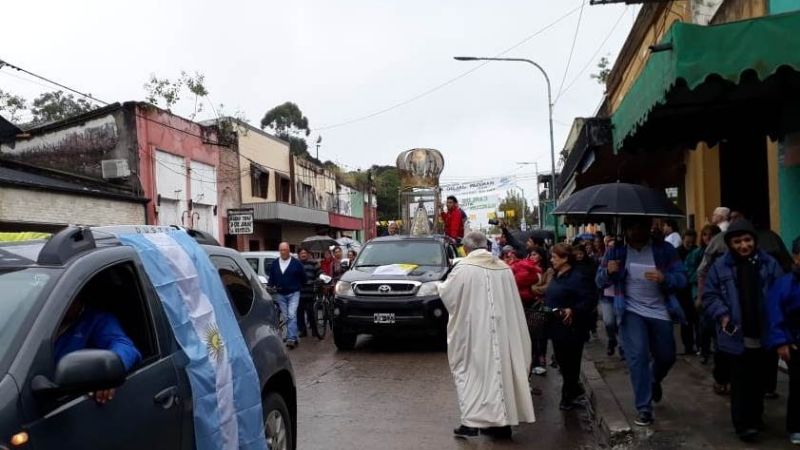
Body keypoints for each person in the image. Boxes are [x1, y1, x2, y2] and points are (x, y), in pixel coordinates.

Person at [437, 231, 536, 439]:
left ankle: (472, 422)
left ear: (466, 248)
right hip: (503, 331)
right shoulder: (503, 268)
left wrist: (437, 285)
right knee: (502, 373)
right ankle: (502, 425)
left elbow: (449, 295)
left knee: (473, 374)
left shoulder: (463, 269)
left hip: (475, 332)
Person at [596, 216, 688, 427]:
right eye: (632, 228)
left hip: (660, 309)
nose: (636, 232)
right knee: (637, 356)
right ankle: (644, 408)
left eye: (640, 227)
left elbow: (683, 277)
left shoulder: (664, 250)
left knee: (667, 356)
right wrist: (607, 272)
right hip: (630, 310)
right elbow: (599, 281)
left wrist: (665, 278)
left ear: (648, 228)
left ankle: (654, 380)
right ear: (626, 230)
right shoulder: (616, 251)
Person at [703, 220, 784, 442]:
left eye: (747, 240)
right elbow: (710, 296)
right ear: (729, 243)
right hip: (735, 333)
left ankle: (756, 417)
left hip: (764, 332)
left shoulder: (769, 264)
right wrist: (722, 313)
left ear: (754, 241)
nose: (743, 245)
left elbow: (780, 292)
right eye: (737, 241)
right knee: (740, 381)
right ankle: (743, 424)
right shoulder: (720, 267)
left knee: (760, 379)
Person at [55, 296, 142, 404]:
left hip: (68, 399)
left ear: (77, 297)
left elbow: (125, 347)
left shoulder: (97, 320)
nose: (58, 303)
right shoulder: (42, 320)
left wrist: (108, 376)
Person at [546, 244, 597, 410]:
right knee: (562, 361)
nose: (551, 260)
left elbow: (589, 299)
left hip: (573, 328)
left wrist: (572, 310)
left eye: (555, 257)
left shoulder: (578, 277)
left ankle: (567, 398)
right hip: (556, 326)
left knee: (571, 363)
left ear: (565, 258)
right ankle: (573, 391)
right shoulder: (556, 274)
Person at [765, 236, 800, 446]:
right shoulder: (784, 284)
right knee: (798, 387)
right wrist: (781, 342)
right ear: (796, 257)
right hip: (795, 342)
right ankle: (796, 426)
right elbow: (774, 314)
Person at [686, 225, 722, 366]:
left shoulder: (721, 253)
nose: (708, 238)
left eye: (712, 235)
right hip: (701, 293)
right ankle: (704, 350)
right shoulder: (697, 253)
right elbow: (688, 272)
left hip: (718, 293)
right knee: (705, 324)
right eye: (705, 234)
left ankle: (718, 351)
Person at [267, 242, 308, 349]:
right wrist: (270, 286)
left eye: (285, 250)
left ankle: (291, 339)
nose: (283, 252)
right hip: (280, 294)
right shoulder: (275, 264)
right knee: (286, 317)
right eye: (281, 250)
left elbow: (304, 278)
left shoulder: (296, 263)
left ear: (289, 250)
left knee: (291, 315)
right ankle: (293, 336)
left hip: (294, 293)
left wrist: (299, 286)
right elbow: (271, 278)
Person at [529, 248, 552, 375]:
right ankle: (534, 358)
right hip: (531, 305)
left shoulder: (547, 270)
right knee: (533, 334)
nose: (532, 256)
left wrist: (532, 288)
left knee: (541, 333)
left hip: (543, 305)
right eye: (531, 254)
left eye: (535, 254)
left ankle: (541, 358)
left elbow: (547, 288)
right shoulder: (527, 268)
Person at [677, 229, 699, 355]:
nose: (690, 244)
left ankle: (700, 345)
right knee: (685, 320)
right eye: (687, 242)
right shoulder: (677, 252)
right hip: (682, 290)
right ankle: (688, 346)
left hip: (694, 288)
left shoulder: (697, 251)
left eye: (692, 242)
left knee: (697, 320)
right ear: (683, 239)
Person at [297, 248, 321, 339]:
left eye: (305, 253)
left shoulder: (314, 263)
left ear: (308, 254)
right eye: (301, 253)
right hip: (299, 293)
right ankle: (303, 331)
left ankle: (315, 330)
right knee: (299, 313)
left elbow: (320, 273)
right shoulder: (296, 264)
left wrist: (317, 280)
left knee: (311, 312)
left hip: (310, 292)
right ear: (299, 255)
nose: (303, 254)